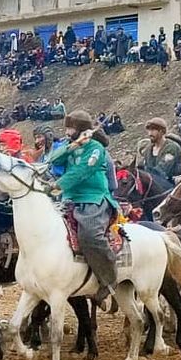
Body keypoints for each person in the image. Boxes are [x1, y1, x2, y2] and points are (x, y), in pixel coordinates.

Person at [48, 110, 119, 303]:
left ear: (80, 128)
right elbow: (53, 159)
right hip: (69, 198)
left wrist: (57, 185)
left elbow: (82, 171)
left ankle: (109, 279)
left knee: (89, 236)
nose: (67, 131)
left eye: (70, 128)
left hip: (93, 198)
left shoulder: (96, 148)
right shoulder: (71, 144)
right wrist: (74, 145)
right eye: (67, 127)